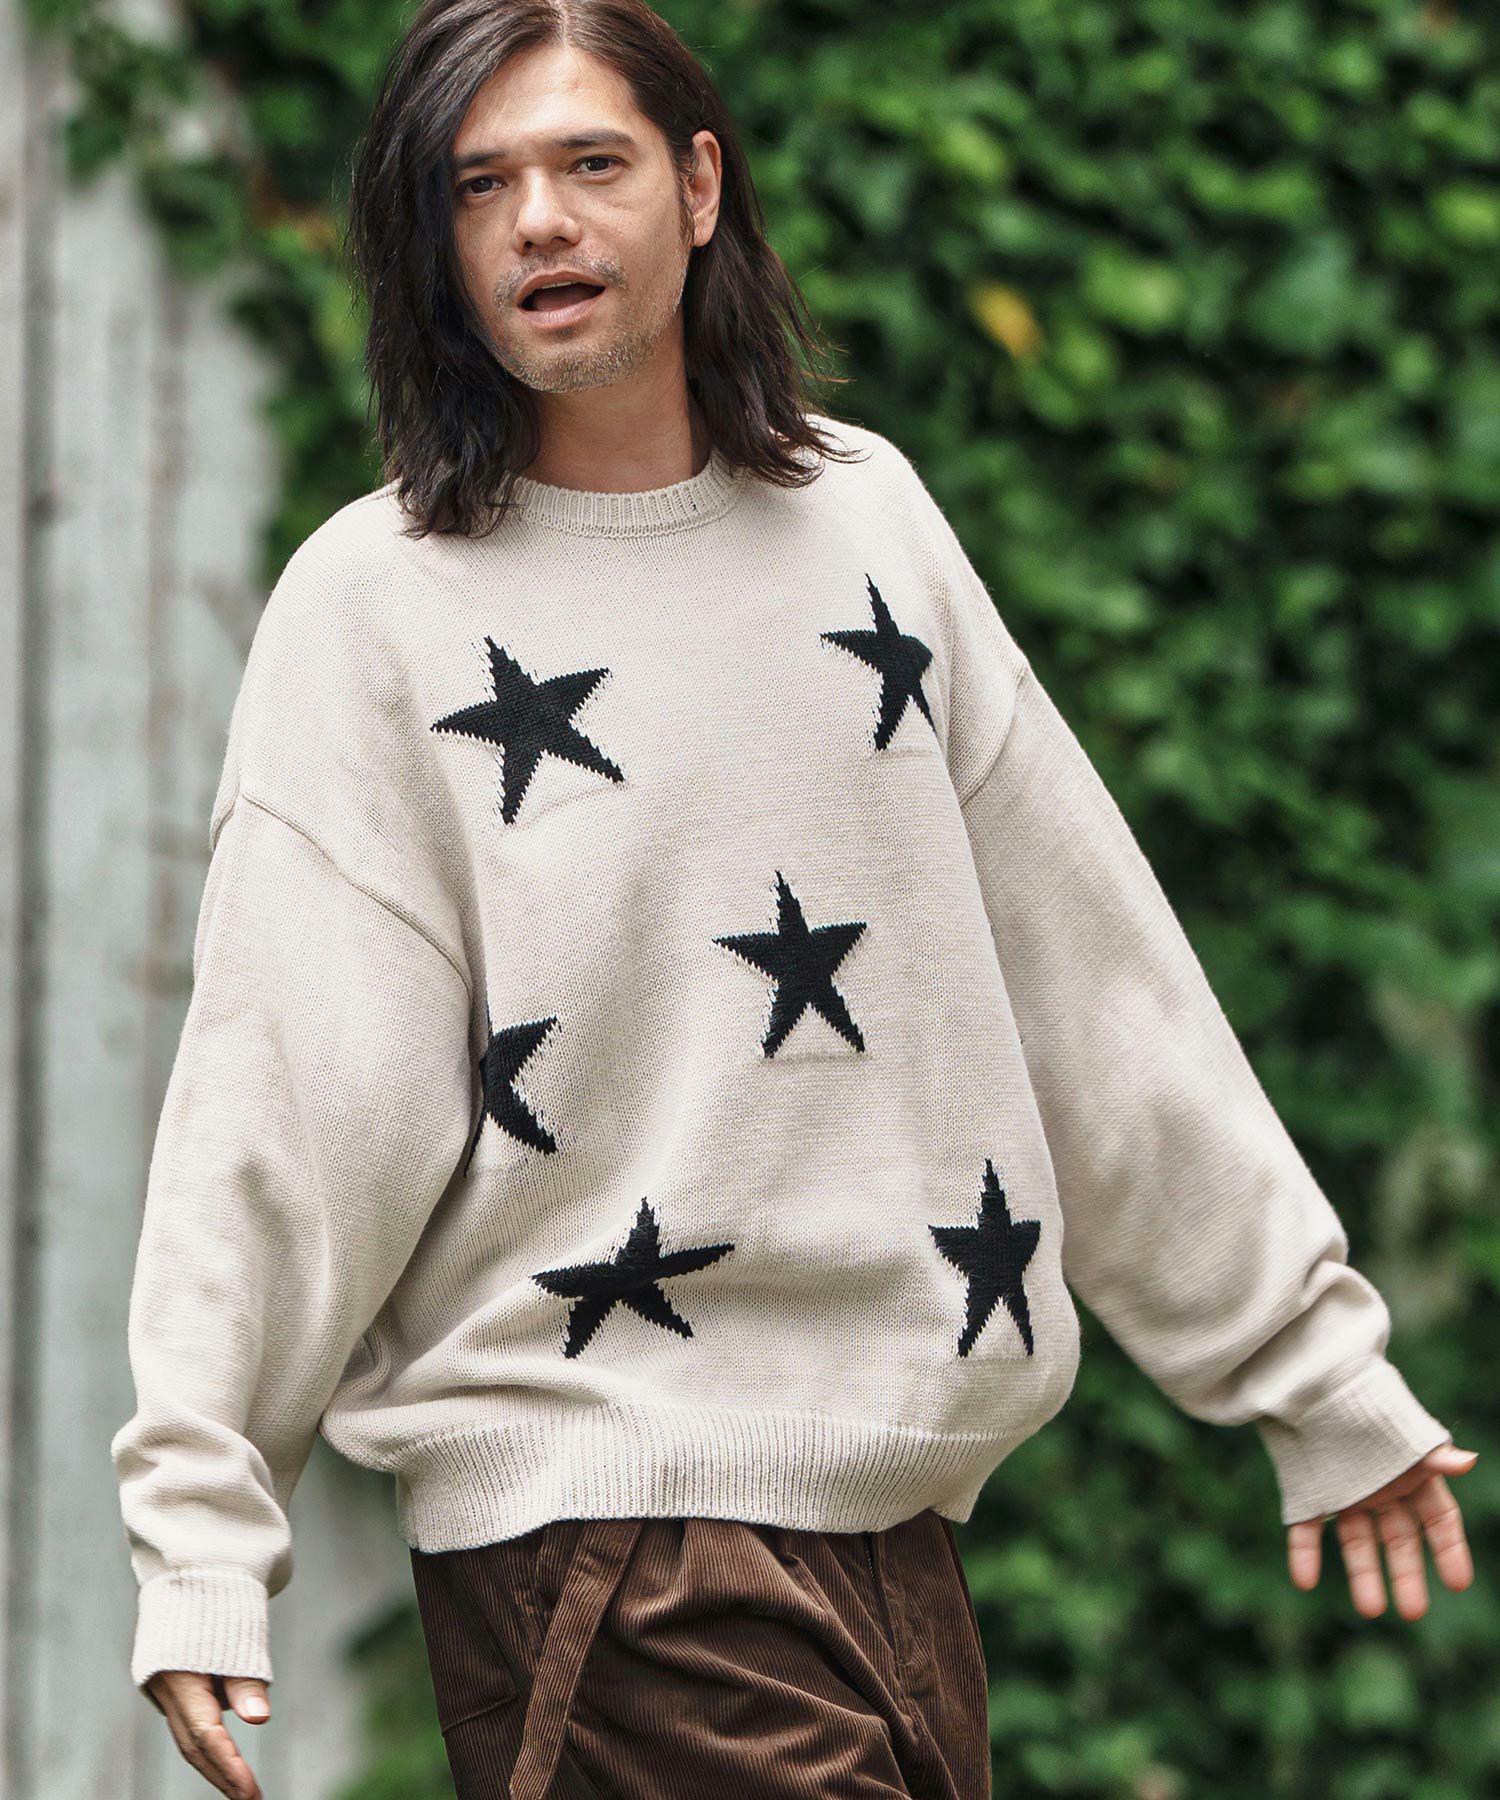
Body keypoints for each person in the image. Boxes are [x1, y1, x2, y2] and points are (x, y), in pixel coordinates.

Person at [109, 2, 1479, 1797]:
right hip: (598, 1534)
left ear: (698, 186)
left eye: (589, 162)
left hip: (901, 1529)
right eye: (480, 185)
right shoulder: (376, 605)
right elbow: (287, 1092)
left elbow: (1081, 962)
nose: (538, 220)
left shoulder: (869, 523)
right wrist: (202, 1529)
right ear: (434, 242)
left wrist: (1309, 1359)